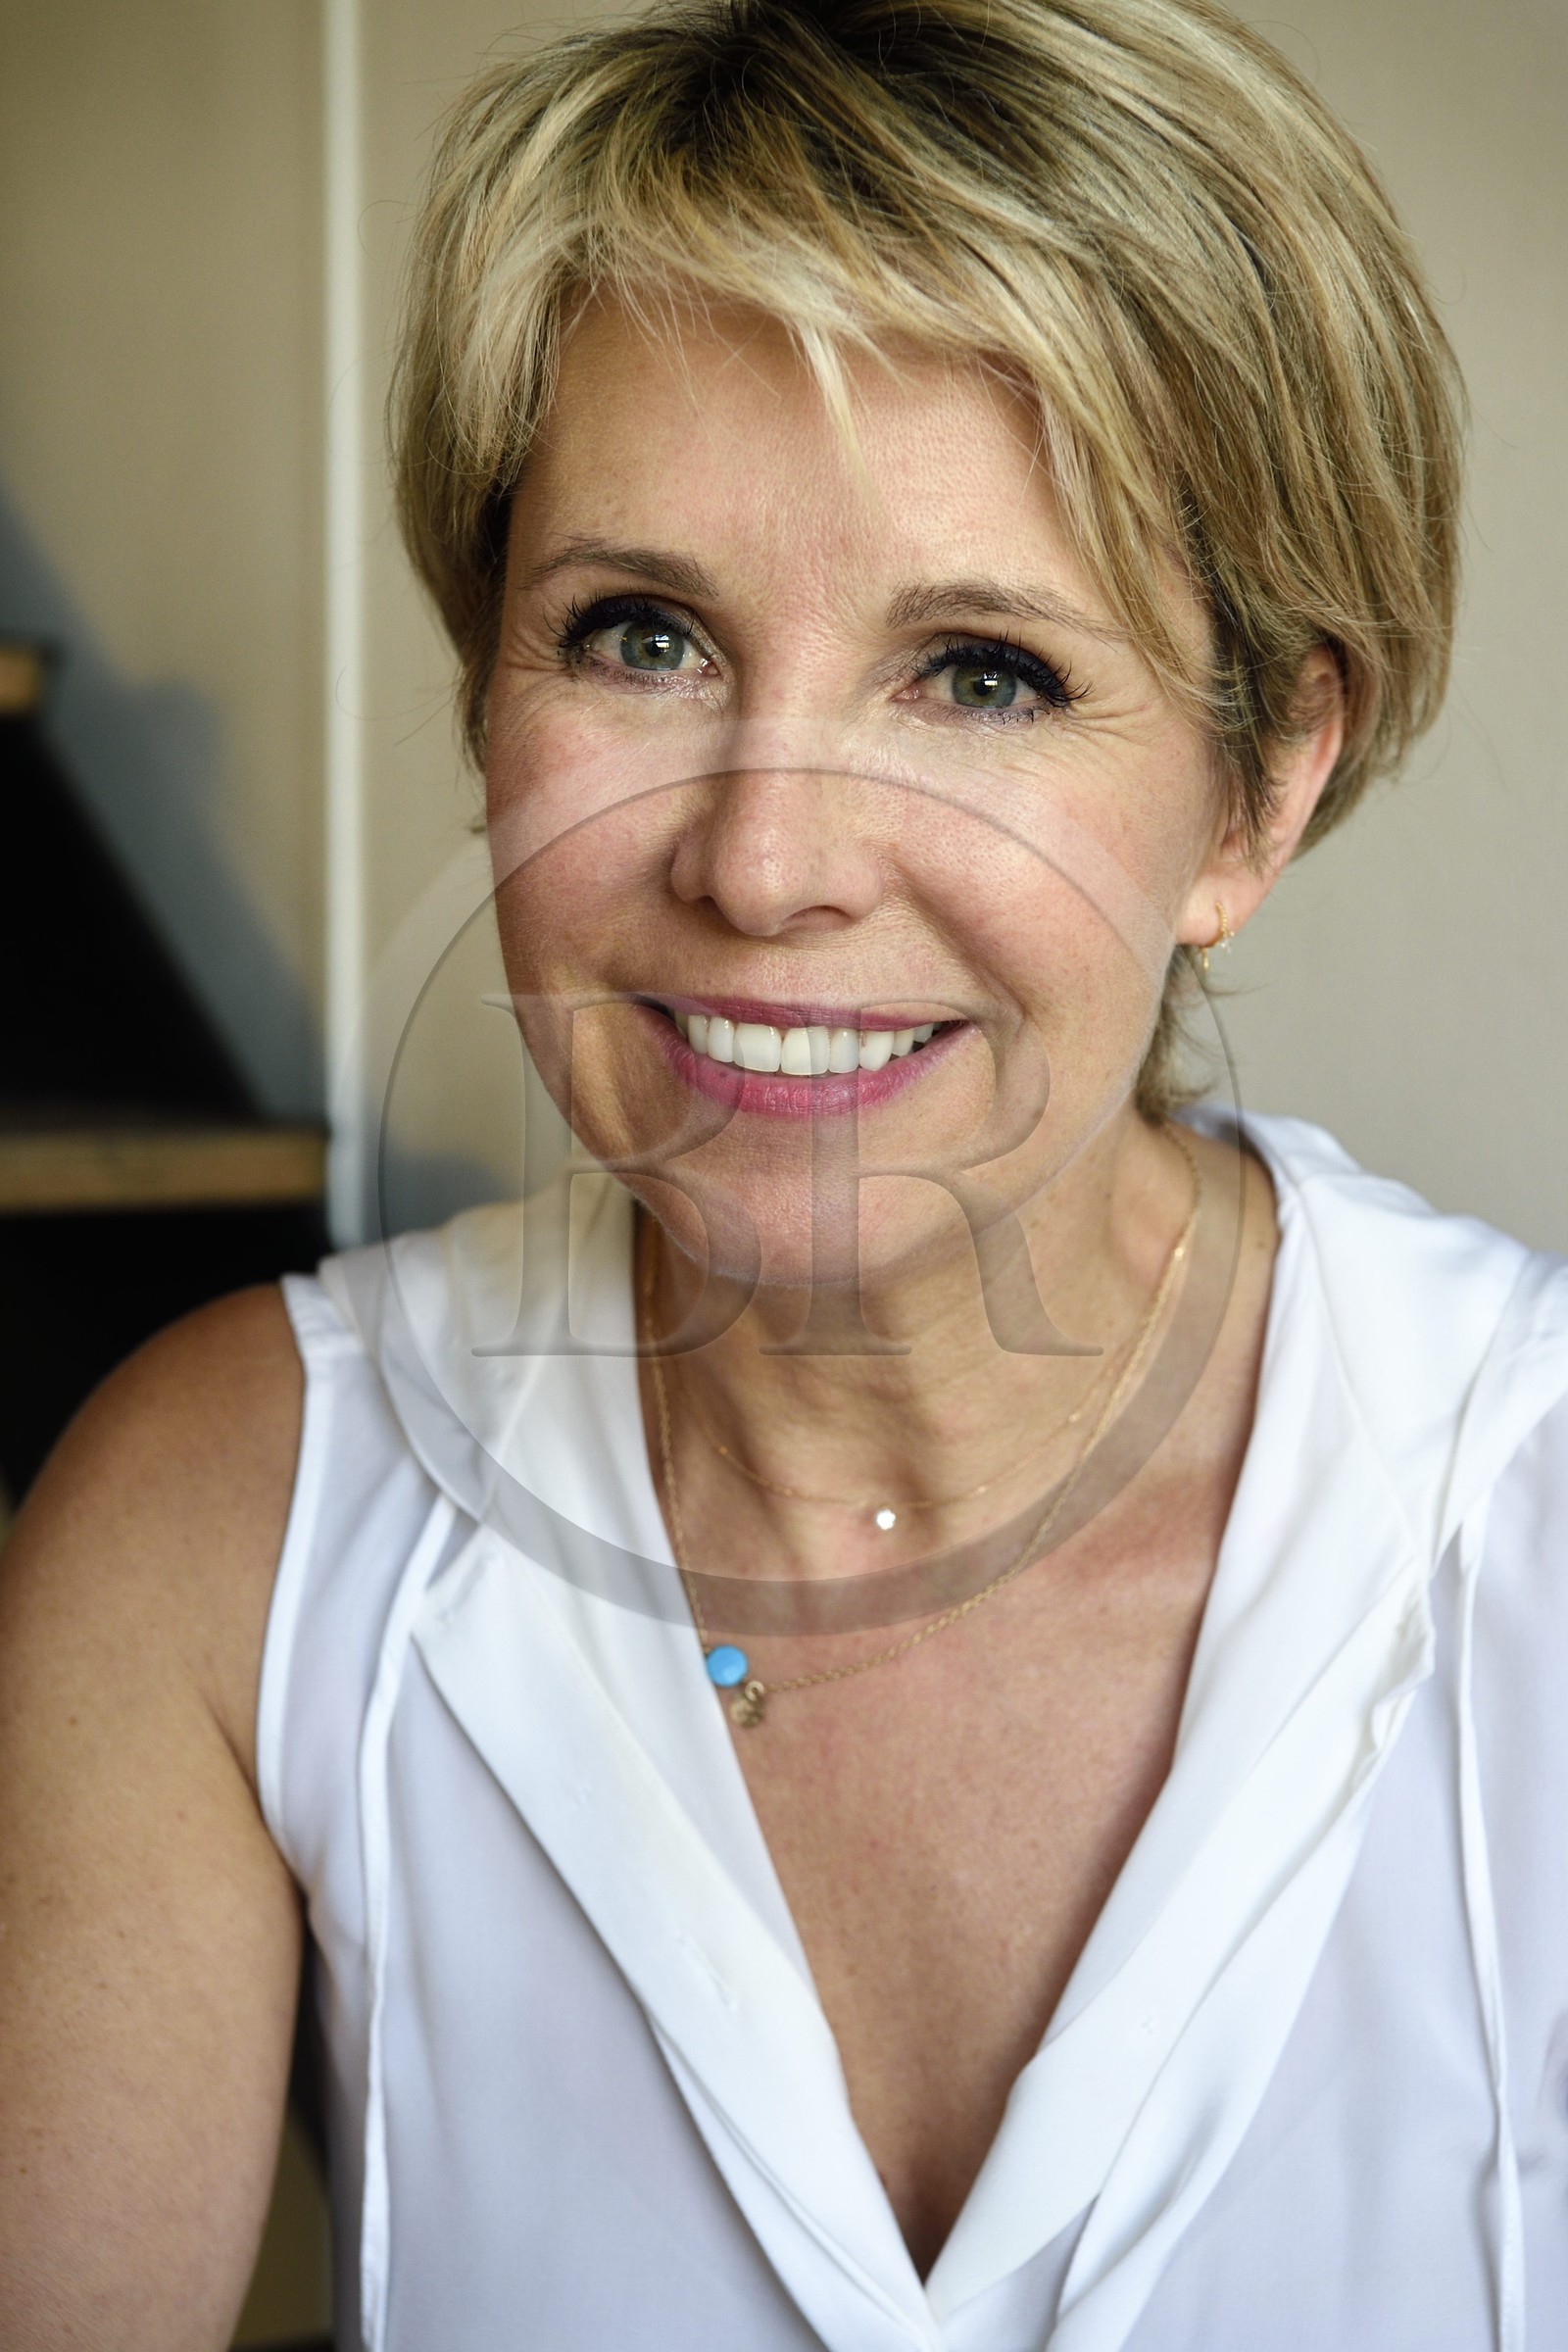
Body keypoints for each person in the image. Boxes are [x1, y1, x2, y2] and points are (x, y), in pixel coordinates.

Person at [3, 2, 1564, 2346]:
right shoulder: (219, 1533)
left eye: (982, 674)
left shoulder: (1522, 1524)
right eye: (638, 636)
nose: (760, 860)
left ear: (1257, 790)